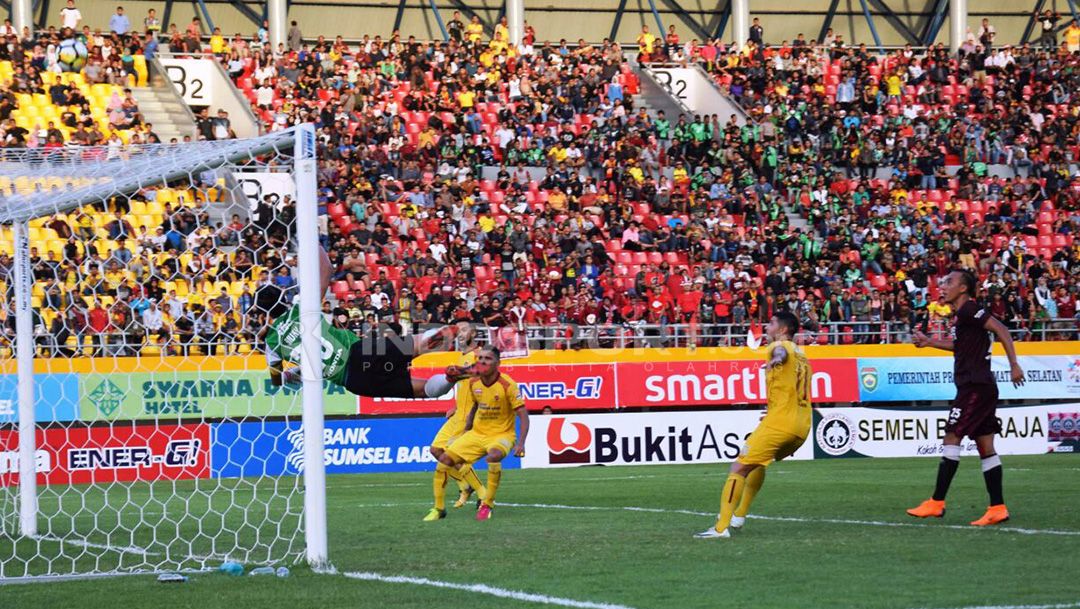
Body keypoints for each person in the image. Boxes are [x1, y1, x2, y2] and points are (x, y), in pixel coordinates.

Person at [264, 248, 475, 398]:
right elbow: (326, 268)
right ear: (282, 299)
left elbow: (277, 381)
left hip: (353, 382)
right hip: (360, 352)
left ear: (262, 312)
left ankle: (449, 379)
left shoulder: (271, 346)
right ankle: (456, 329)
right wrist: (308, 232)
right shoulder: (300, 308)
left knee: (422, 390)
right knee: (417, 345)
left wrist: (295, 372)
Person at [907, 270, 1025, 527]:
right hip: (979, 386)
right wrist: (929, 342)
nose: (943, 286)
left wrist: (1014, 364)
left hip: (975, 387)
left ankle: (937, 502)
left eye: (949, 282)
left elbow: (1002, 329)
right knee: (985, 446)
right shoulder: (962, 316)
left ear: (963, 289)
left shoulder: (970, 309)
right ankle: (997, 508)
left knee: (952, 435)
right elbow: (959, 346)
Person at [696, 311, 810, 539]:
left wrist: (775, 359)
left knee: (738, 467)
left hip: (780, 424)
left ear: (783, 330)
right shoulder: (803, 357)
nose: (767, 328)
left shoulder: (780, 347)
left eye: (771, 324)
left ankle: (721, 528)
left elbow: (780, 353)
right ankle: (739, 516)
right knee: (759, 463)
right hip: (801, 427)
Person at [426, 346, 529, 522]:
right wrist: (466, 430)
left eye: (487, 359)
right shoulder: (474, 382)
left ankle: (487, 502)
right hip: (477, 433)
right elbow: (474, 406)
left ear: (498, 363)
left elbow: (523, 415)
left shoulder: (508, 385)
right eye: (480, 358)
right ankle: (439, 508)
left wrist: (520, 443)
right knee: (443, 459)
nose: (482, 362)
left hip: (501, 435)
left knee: (493, 456)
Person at [423, 346, 484, 521]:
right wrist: (456, 407)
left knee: (453, 456)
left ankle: (482, 494)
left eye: (464, 330)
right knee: (436, 450)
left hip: (468, 417)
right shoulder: (461, 357)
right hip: (458, 415)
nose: (461, 336)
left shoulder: (478, 355)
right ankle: (465, 486)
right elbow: (465, 389)